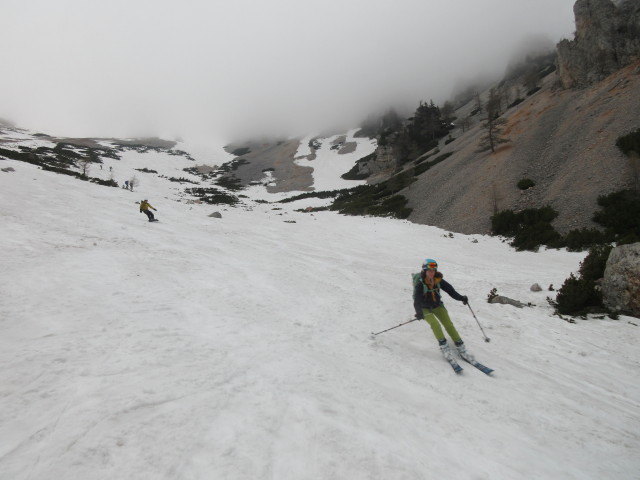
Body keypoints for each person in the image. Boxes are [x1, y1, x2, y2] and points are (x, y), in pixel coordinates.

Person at [413, 258, 472, 362]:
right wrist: (419, 312)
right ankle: (444, 346)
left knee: (448, 324)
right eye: (429, 270)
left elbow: (450, 290)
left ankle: (460, 345)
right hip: (424, 308)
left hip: (437, 305)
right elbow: (416, 300)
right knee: (435, 324)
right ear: (424, 271)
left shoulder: (438, 280)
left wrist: (461, 298)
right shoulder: (420, 284)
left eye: (433, 270)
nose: (431, 273)